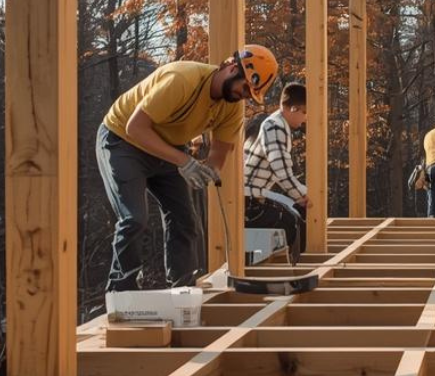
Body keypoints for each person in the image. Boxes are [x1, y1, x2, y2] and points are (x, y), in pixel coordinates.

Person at [97, 45, 278, 291]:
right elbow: (136, 128)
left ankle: (182, 288)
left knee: (185, 220)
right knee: (134, 218)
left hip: (167, 146)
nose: (245, 95)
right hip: (123, 141)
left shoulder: (232, 106)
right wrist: (185, 162)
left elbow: (220, 152)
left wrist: (209, 170)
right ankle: (121, 291)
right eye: (245, 87)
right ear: (232, 68)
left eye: (250, 93)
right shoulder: (182, 80)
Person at [244, 82, 307, 264]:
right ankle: (274, 272)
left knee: (292, 217)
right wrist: (302, 195)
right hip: (248, 204)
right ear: (294, 108)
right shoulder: (275, 126)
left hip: (251, 199)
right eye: (304, 112)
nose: (305, 118)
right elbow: (280, 168)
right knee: (290, 222)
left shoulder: (275, 123)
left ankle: (262, 266)